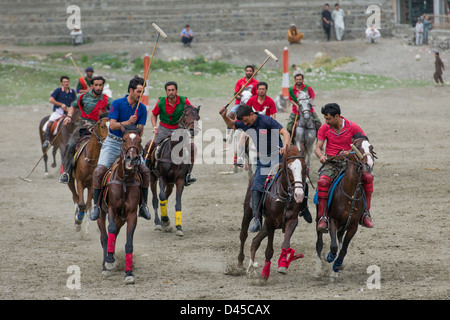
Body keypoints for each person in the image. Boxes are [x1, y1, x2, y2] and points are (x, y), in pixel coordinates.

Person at [219, 104, 291, 232]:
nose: (246, 124)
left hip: (278, 158)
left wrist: (285, 146)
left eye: (246, 120)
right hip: (263, 160)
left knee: (296, 180)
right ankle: (256, 219)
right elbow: (232, 125)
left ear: (252, 114)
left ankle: (304, 209)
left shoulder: (266, 121)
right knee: (256, 186)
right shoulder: (245, 123)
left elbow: (285, 133)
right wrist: (224, 116)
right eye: (243, 122)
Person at [89, 76, 151, 221]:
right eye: (138, 91)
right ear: (130, 90)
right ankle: (96, 206)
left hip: (131, 144)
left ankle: (143, 205)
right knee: (98, 172)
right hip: (113, 142)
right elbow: (113, 125)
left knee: (145, 171)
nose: (140, 95)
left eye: (142, 92)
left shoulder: (141, 108)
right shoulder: (117, 103)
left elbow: (140, 130)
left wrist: (135, 127)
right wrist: (128, 122)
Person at [314, 103, 374, 232]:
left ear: (337, 116)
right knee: (323, 182)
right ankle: (323, 217)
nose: (326, 122)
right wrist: (321, 156)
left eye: (328, 119)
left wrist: (349, 153)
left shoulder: (352, 126)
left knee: (368, 178)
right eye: (325, 119)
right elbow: (318, 148)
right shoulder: (324, 128)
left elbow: (363, 142)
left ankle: (365, 214)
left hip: (350, 163)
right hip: (332, 162)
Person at [59, 76, 112, 184]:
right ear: (91, 86)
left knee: (110, 147)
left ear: (103, 86)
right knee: (70, 145)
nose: (98, 87)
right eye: (96, 85)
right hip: (82, 126)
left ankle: (110, 174)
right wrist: (69, 116)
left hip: (98, 128)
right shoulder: (82, 97)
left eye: (100, 85)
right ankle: (67, 173)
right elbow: (73, 106)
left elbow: (115, 107)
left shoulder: (107, 100)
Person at [147, 81, 197, 186]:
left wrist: (192, 126)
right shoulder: (160, 102)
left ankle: (188, 174)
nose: (171, 92)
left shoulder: (184, 101)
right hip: (163, 129)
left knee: (192, 148)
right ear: (166, 91)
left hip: (179, 130)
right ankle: (146, 171)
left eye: (173, 90)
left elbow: (193, 112)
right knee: (149, 145)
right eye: (169, 90)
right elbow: (153, 115)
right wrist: (154, 126)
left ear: (176, 91)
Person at [42, 76, 77, 149]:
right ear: (61, 83)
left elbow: (74, 102)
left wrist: (70, 109)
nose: (66, 83)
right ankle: (47, 140)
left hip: (68, 113)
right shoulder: (58, 90)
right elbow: (51, 100)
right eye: (65, 82)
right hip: (58, 112)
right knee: (50, 122)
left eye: (67, 81)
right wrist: (61, 104)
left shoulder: (72, 92)